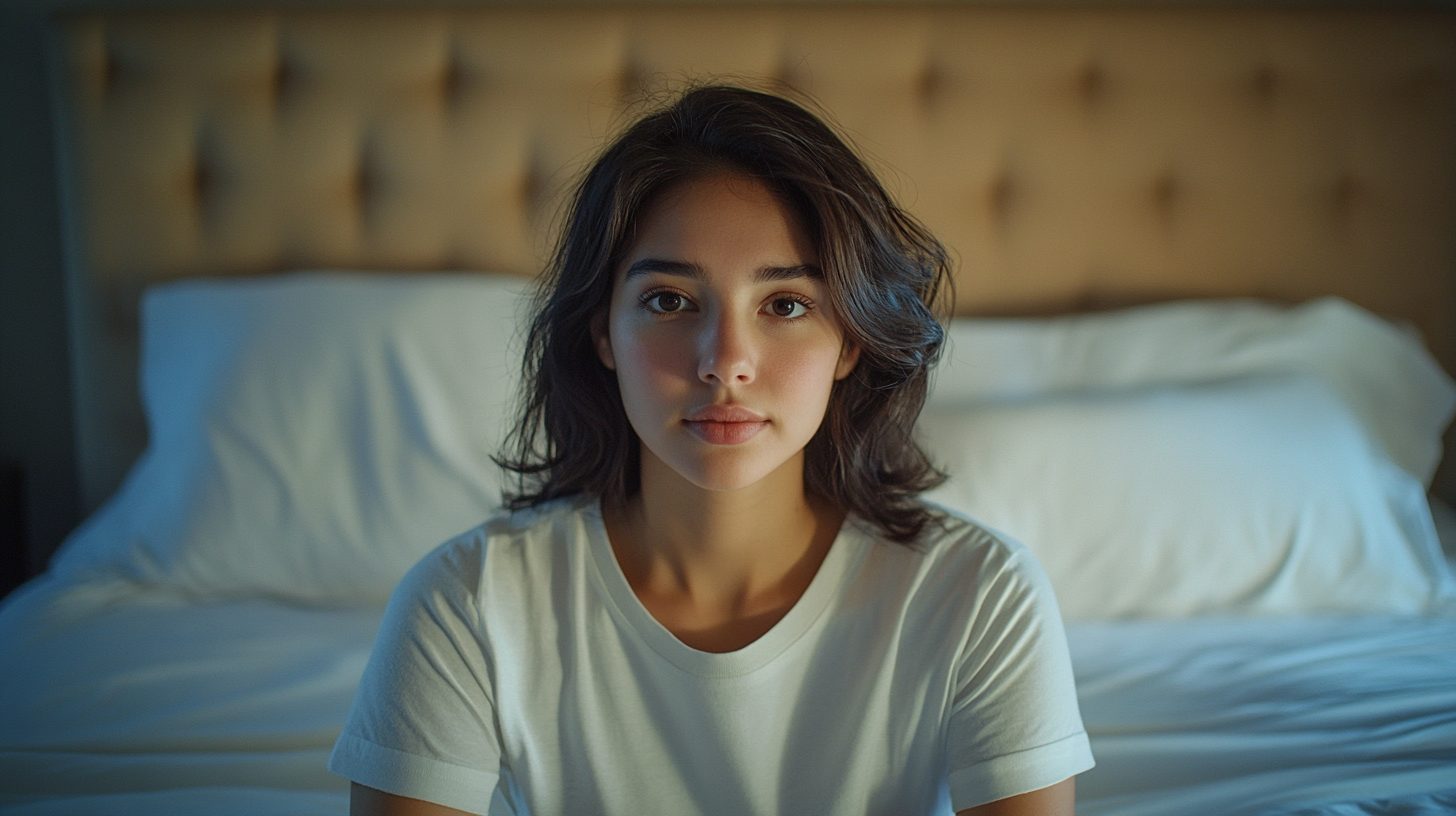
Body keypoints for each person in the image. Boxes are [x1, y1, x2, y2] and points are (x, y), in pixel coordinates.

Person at [329, 84, 1093, 816]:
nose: (724, 360)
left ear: (850, 343)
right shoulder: (468, 603)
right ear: (602, 332)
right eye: (670, 301)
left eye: (786, 304)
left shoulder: (978, 596)